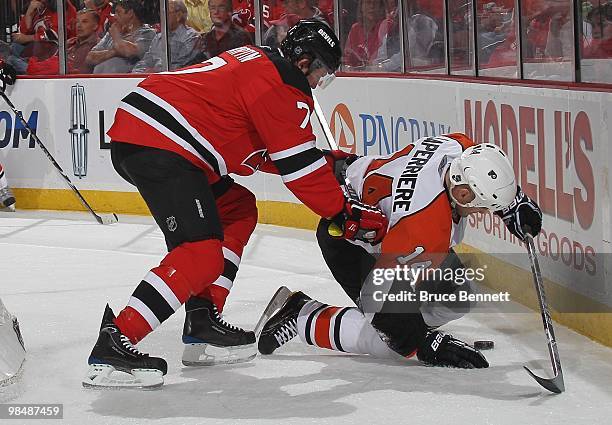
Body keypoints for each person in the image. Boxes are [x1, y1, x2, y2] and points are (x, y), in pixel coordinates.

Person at [84, 19, 388, 389]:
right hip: (164, 141)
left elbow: (263, 153)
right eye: (321, 72)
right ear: (304, 61)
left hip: (157, 132)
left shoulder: (260, 64)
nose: (317, 84)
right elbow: (299, 170)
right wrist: (342, 212)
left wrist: (334, 163)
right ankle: (116, 341)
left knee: (237, 209)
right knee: (200, 253)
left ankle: (202, 320)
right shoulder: (283, 83)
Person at [258, 135, 543, 369]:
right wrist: (422, 343)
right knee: (392, 341)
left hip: (371, 208)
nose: (482, 212)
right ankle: (302, 316)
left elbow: (478, 161)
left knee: (457, 298)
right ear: (463, 194)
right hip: (351, 243)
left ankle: (408, 324)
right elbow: (379, 299)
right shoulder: (424, 228)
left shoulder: (455, 148)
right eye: (483, 206)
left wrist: (512, 203)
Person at [86, 0, 155, 74]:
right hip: (99, 81)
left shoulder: (147, 33)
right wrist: (114, 52)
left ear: (130, 13)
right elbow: (90, 57)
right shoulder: (111, 33)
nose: (114, 16)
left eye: (118, 12)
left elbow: (129, 52)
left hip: (124, 82)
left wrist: (116, 37)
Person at [27, 8, 100, 75]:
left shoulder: (98, 46)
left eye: (85, 22)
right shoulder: (69, 42)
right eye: (77, 22)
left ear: (95, 26)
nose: (79, 25)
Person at [132, 0, 198, 73]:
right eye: (160, 13)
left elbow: (182, 66)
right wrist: (136, 74)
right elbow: (146, 61)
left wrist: (155, 71)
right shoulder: (158, 37)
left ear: (178, 15)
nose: (161, 17)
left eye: (165, 13)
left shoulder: (191, 37)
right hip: (151, 79)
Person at [263, 0, 328, 48]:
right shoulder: (280, 24)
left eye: (286, 2)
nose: (283, 6)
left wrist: (287, 42)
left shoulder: (322, 29)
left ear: (301, 3)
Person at [343, 0, 388, 68]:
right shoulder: (355, 28)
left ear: (381, 7)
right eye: (368, 2)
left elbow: (381, 59)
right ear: (361, 7)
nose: (372, 6)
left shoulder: (385, 27)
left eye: (375, 3)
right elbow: (347, 59)